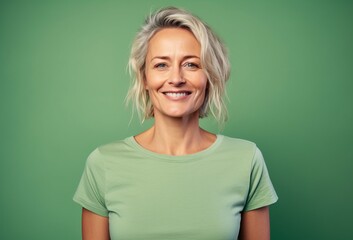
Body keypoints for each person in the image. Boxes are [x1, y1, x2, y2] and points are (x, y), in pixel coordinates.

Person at [73, 6, 278, 240]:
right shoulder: (104, 163)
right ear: (145, 78)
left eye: (191, 64)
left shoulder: (246, 159)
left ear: (210, 76)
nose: (176, 79)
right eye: (161, 65)